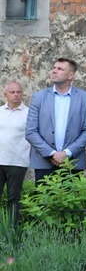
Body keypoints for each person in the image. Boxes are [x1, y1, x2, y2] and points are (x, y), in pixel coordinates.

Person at [26, 58, 86, 184]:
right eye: (54, 68)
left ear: (71, 75)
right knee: (43, 202)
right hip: (44, 162)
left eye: (60, 69)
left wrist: (66, 153)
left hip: (72, 163)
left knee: (71, 203)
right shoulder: (38, 97)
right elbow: (30, 131)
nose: (54, 71)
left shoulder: (85, 98)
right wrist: (52, 153)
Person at [0, 82, 31, 224]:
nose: (16, 95)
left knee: (14, 198)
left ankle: (12, 230)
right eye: (12, 92)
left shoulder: (29, 113)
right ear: (5, 94)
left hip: (17, 162)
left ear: (22, 94)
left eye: (18, 92)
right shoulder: (0, 111)